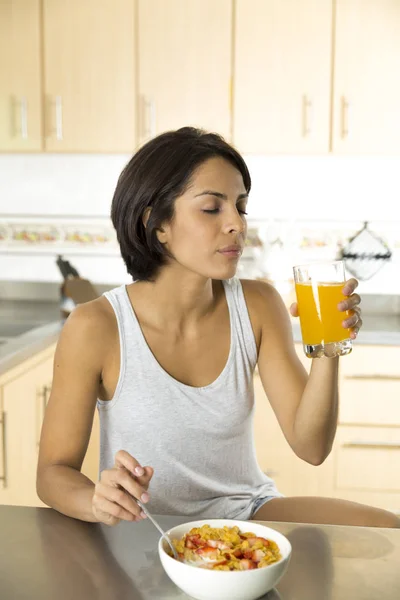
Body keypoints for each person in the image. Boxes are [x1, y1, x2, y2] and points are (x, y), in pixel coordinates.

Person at [37, 127, 399, 529]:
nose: (237, 225)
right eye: (212, 208)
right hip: (147, 528)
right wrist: (96, 502)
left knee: (390, 532)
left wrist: (329, 347)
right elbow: (53, 472)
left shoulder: (258, 304)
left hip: (247, 514)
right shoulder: (96, 326)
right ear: (157, 225)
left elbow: (311, 446)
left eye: (241, 207)